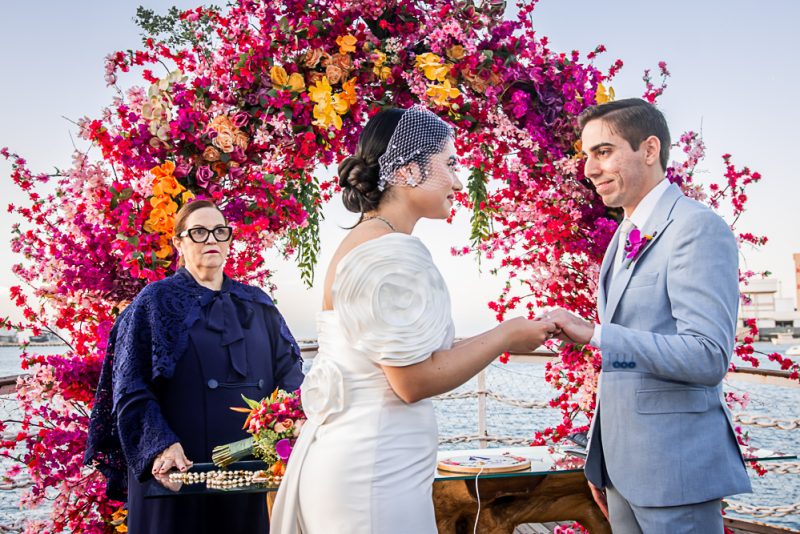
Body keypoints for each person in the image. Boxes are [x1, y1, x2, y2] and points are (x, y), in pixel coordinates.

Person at [270, 106, 556, 533]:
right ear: (408, 170)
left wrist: (506, 337)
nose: (459, 182)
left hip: (356, 458)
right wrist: (504, 334)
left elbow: (401, 356)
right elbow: (411, 381)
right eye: (451, 164)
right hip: (375, 471)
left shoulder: (364, 241)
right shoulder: (390, 252)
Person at [540, 98, 751, 533]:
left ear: (650, 150)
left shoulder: (696, 227)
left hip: (676, 474)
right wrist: (603, 459)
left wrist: (596, 334)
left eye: (603, 152)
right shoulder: (622, 235)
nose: (589, 170)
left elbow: (708, 356)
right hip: (621, 470)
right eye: (586, 156)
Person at [85, 200, 304, 533]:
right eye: (198, 232)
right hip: (177, 473)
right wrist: (159, 446)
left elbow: (290, 374)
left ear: (230, 240)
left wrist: (285, 429)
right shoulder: (154, 302)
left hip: (246, 477)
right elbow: (130, 386)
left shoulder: (257, 303)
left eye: (219, 231)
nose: (211, 240)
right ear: (179, 242)